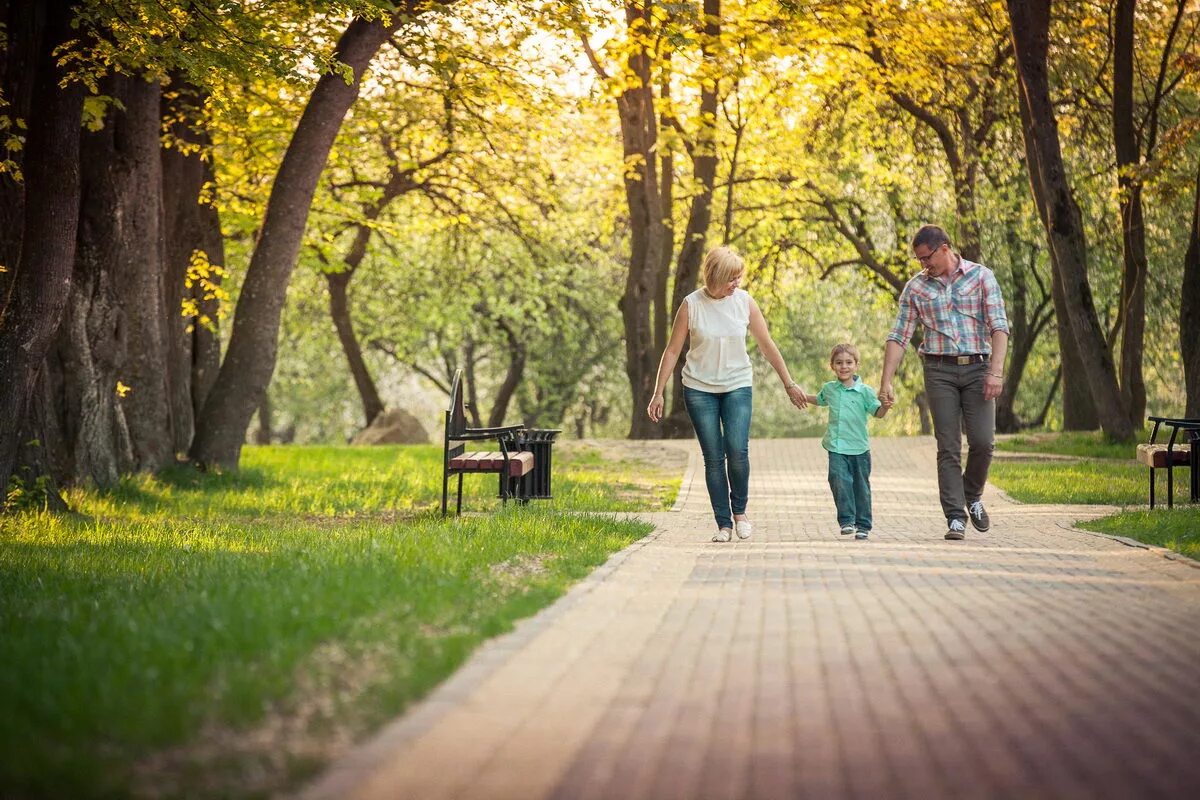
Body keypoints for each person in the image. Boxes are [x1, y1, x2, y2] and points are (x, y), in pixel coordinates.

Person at [647, 246, 809, 542]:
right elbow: (672, 351)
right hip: (699, 389)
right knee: (713, 458)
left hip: (737, 384)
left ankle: (740, 513)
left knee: (737, 450)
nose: (737, 283)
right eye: (732, 278)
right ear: (715, 276)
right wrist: (658, 392)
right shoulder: (691, 305)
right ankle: (723, 524)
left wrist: (789, 382)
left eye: (739, 277)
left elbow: (767, 344)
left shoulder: (744, 302)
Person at [879, 225, 1009, 540]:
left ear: (944, 247)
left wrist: (996, 371)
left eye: (927, 258)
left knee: (983, 442)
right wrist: (886, 381)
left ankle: (972, 494)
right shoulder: (916, 288)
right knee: (948, 446)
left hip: (978, 367)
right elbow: (899, 336)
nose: (924, 265)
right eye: (920, 260)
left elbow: (999, 326)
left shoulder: (981, 277)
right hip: (939, 371)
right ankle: (955, 517)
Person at [804, 343, 893, 540]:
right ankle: (847, 521)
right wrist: (801, 396)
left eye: (848, 362)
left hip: (860, 449)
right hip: (836, 446)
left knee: (861, 487)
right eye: (839, 363)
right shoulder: (829, 389)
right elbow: (819, 399)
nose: (844, 366)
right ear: (832, 366)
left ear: (856, 365)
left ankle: (863, 525)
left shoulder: (865, 392)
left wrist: (885, 407)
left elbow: (877, 412)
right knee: (838, 480)